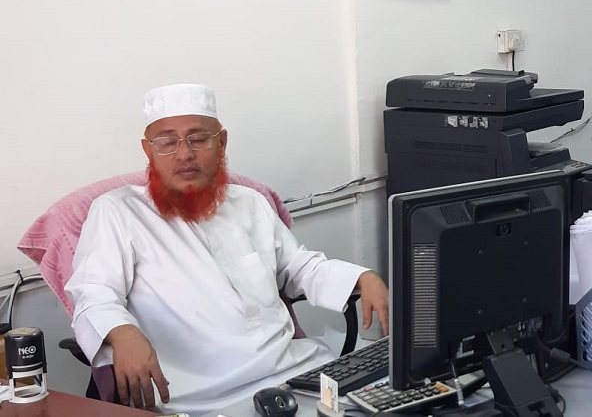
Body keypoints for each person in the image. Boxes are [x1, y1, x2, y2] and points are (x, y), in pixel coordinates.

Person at [65, 84, 389, 415]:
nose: (184, 154)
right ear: (148, 151)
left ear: (221, 143)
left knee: (392, 400)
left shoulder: (250, 202)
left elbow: (297, 267)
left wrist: (360, 277)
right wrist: (121, 333)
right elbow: (93, 293)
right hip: (197, 396)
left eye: (197, 139)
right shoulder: (117, 212)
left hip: (293, 373)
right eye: (167, 142)